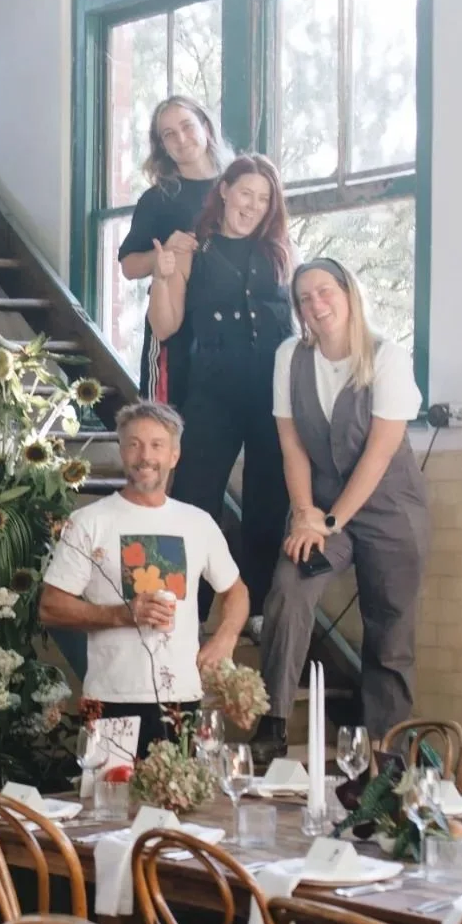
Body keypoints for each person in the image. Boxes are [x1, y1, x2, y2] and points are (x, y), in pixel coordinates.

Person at [256, 259, 428, 758]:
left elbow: (379, 454)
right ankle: (273, 723)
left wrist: (330, 521)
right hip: (321, 508)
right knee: (290, 585)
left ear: (349, 294)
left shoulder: (387, 357)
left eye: (325, 291)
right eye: (304, 298)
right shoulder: (290, 357)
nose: (316, 304)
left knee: (389, 629)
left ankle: (386, 755)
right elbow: (292, 444)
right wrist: (305, 513)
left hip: (390, 510)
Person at [40, 401, 249, 755]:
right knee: (105, 792)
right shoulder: (88, 522)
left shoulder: (198, 523)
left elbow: (236, 591)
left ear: (174, 455)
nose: (145, 456)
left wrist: (226, 637)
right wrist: (123, 614)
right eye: (134, 444)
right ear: (122, 452)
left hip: (182, 697)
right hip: (105, 697)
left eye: (157, 445)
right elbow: (50, 607)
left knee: (178, 792)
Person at [146, 153, 295, 619]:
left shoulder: (279, 255)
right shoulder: (192, 250)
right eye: (246, 193)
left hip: (272, 397)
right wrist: (162, 277)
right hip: (212, 394)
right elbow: (165, 326)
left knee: (269, 503)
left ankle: (256, 611)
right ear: (225, 191)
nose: (253, 205)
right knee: (193, 498)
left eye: (264, 199)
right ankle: (182, 610)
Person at [117, 96, 231, 409]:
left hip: (228, 334)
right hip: (174, 334)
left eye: (187, 126)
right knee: (164, 427)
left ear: (206, 127)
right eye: (169, 134)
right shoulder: (157, 199)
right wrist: (163, 253)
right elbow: (129, 266)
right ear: (162, 146)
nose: (181, 138)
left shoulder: (236, 188)